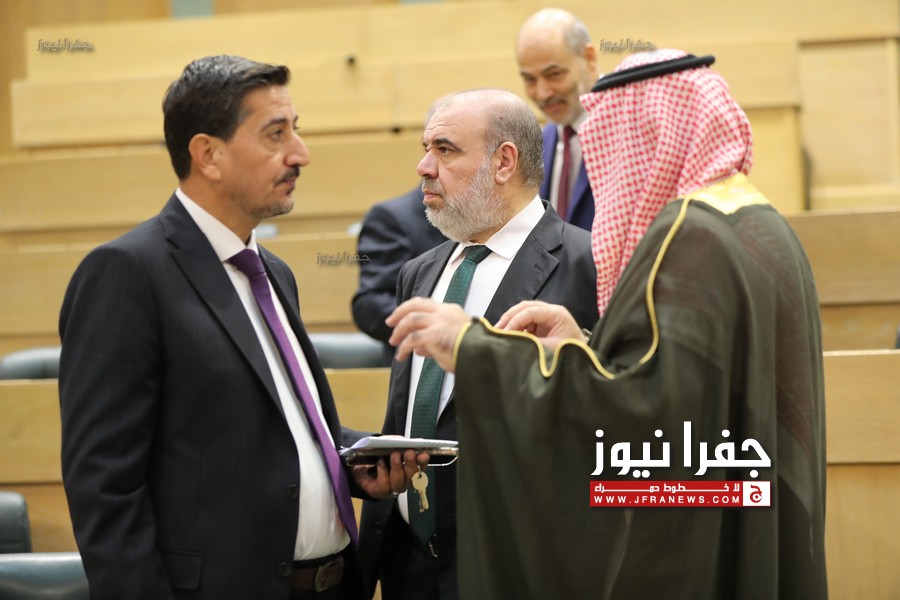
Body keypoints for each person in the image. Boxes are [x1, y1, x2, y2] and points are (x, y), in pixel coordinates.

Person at [388, 51, 828, 599]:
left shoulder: (693, 238)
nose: (604, 167)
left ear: (648, 135)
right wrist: (583, 347)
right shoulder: (752, 222)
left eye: (610, 142)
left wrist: (475, 347)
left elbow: (648, 421)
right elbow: (685, 390)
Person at [58, 55, 426, 600]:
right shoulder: (126, 272)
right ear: (208, 154)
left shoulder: (273, 272)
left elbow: (260, 429)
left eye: (295, 129)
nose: (300, 153)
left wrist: (348, 460)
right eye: (276, 134)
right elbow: (103, 486)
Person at [357, 89, 599, 600]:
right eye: (426, 149)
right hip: (408, 568)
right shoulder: (416, 272)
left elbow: (613, 413)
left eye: (444, 150)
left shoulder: (590, 263)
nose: (424, 167)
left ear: (504, 162)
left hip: (518, 569)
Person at [516, 7, 599, 232]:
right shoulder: (542, 141)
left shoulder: (631, 133)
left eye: (554, 74)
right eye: (530, 79)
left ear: (589, 58)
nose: (542, 93)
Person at [351, 187, 447, 344]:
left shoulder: (485, 217)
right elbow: (369, 305)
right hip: (421, 352)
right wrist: (433, 320)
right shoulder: (391, 217)